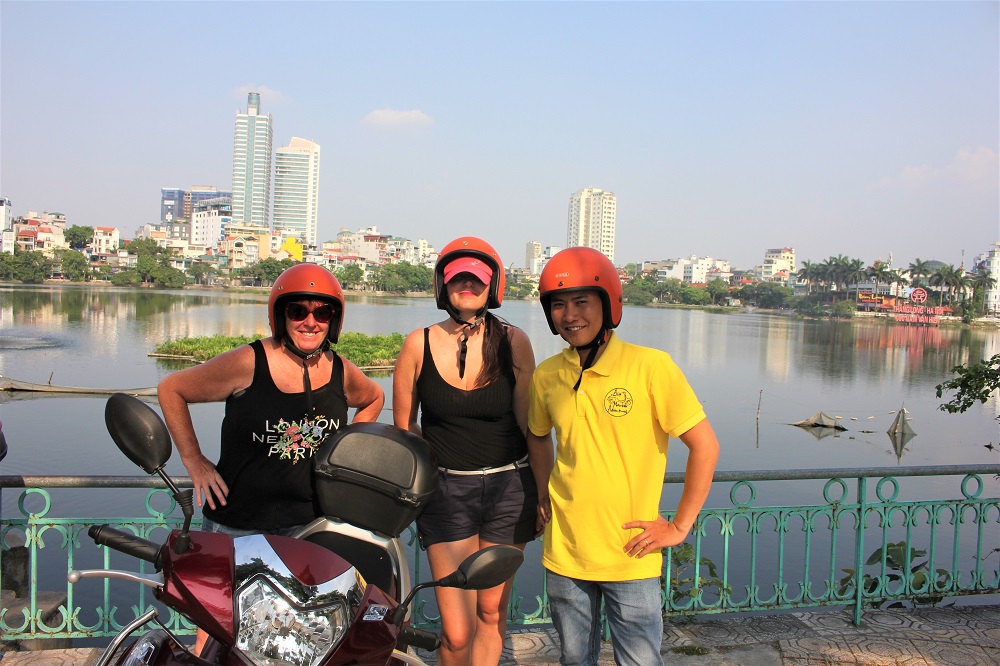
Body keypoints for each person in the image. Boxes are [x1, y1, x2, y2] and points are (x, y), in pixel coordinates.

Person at [526, 247, 720, 666]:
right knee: (575, 659)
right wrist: (542, 493)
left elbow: (705, 445)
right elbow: (538, 436)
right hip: (566, 550)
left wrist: (679, 526)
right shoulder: (547, 374)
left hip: (631, 553)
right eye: (558, 305)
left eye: (582, 302)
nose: (570, 315)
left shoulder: (650, 367)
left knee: (640, 661)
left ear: (608, 304)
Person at [393, 236, 546, 666]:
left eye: (476, 279)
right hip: (447, 493)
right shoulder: (418, 344)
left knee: (491, 612)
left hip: (509, 489)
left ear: (491, 286)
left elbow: (531, 428)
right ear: (443, 285)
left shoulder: (513, 341)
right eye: (457, 278)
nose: (466, 285)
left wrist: (543, 493)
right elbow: (405, 429)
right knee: (457, 632)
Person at [158, 262, 385, 534]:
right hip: (238, 523)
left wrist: (346, 458)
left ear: (333, 320)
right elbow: (172, 389)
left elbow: (374, 398)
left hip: (311, 524)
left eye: (322, 313)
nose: (310, 322)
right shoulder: (248, 362)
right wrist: (194, 460)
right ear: (281, 315)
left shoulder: (341, 371)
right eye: (298, 311)